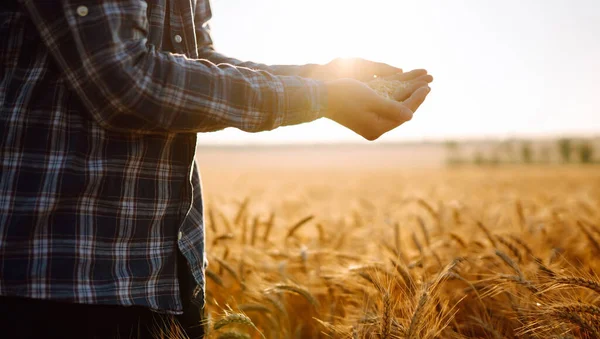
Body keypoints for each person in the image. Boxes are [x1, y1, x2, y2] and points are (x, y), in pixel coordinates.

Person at [0, 0, 432, 338]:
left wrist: (325, 77)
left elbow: (195, 58)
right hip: (56, 283)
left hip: (160, 277)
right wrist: (320, 97)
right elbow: (126, 80)